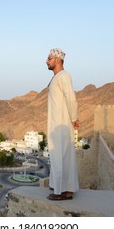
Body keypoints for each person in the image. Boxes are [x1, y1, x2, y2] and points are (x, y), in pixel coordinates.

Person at [46, 48, 79, 200]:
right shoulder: (58, 77)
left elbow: (71, 98)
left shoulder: (64, 76)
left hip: (62, 124)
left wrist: (74, 118)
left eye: (49, 58)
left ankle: (60, 192)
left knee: (60, 156)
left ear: (58, 60)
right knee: (63, 157)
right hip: (57, 124)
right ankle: (67, 190)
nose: (47, 61)